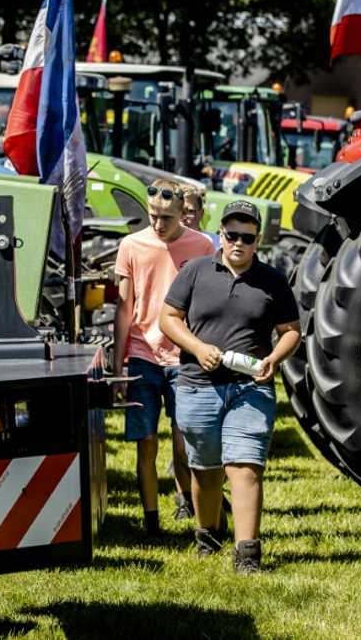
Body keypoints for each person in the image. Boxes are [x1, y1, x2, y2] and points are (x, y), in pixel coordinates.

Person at [159, 200, 301, 573]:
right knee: (205, 472)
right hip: (197, 385)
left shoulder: (272, 280)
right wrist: (197, 347)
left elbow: (291, 332)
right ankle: (207, 536)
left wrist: (274, 359)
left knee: (246, 467)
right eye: (231, 234)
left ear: (257, 241)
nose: (238, 242)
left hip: (249, 388)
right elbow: (168, 318)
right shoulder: (195, 271)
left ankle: (247, 555)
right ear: (221, 234)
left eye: (247, 237)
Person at [113, 178, 216, 535]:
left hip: (184, 356)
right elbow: (124, 308)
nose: (158, 224)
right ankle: (150, 520)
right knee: (145, 441)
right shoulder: (131, 245)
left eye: (167, 218)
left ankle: (187, 502)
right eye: (153, 216)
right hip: (142, 356)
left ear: (182, 215)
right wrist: (118, 364)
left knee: (184, 437)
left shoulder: (201, 245)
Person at [180, 186, 220, 251]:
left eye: (190, 211)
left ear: (201, 213)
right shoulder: (164, 243)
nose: (183, 217)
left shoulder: (216, 243)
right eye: (179, 211)